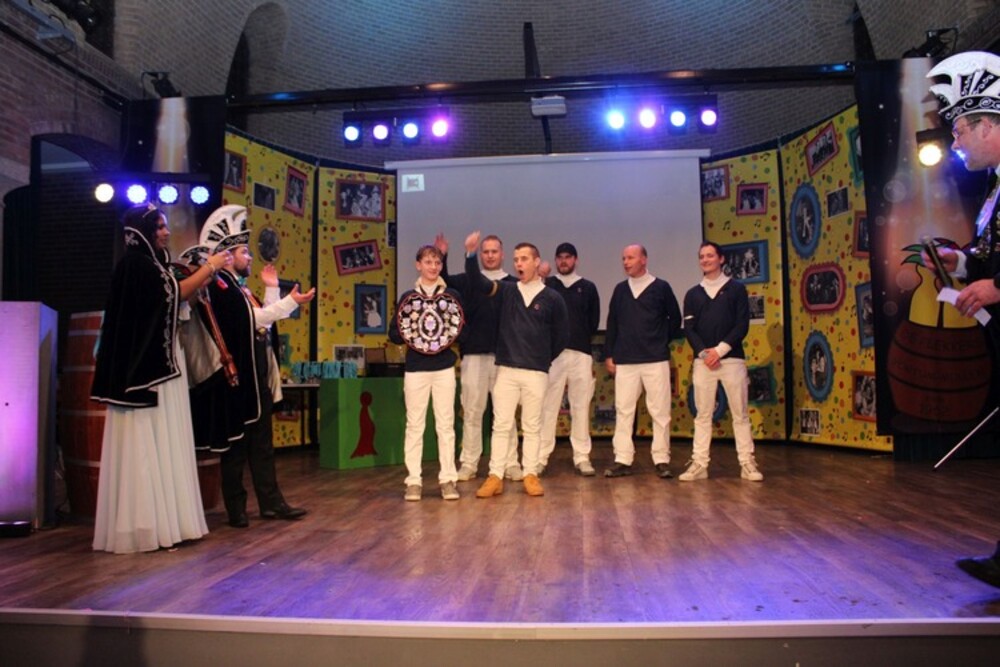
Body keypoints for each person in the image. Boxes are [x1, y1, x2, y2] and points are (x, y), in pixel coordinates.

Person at [90, 205, 231, 554]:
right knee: (144, 444)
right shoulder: (136, 266)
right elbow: (172, 294)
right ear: (143, 230)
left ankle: (167, 522)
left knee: (165, 441)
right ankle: (145, 526)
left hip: (163, 363)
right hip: (148, 372)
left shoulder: (150, 266)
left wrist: (201, 281)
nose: (166, 232)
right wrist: (210, 267)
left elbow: (172, 301)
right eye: (160, 227)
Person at [922, 51, 1000, 589]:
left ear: (989, 125)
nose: (956, 143)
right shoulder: (995, 187)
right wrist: (964, 263)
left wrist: (998, 286)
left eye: (961, 131)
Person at [189, 205, 315, 528]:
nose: (250, 257)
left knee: (261, 443)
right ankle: (237, 509)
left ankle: (272, 503)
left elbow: (262, 325)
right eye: (244, 252)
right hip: (237, 378)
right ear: (228, 256)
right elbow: (255, 319)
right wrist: (290, 302)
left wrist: (272, 289)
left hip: (255, 374)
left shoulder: (240, 288)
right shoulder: (220, 286)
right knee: (235, 445)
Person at [461, 232, 568, 498]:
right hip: (507, 370)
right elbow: (478, 282)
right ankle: (495, 476)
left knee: (532, 426)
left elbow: (561, 336)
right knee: (501, 425)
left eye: (524, 259)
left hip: (536, 372)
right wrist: (471, 255)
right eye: (516, 259)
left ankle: (530, 474)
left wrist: (542, 358)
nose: (519, 263)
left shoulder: (552, 298)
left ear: (536, 262)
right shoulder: (507, 291)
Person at [436, 233, 522, 482]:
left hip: (505, 358)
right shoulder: (468, 280)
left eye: (494, 251)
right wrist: (442, 254)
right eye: (485, 252)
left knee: (505, 415)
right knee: (472, 412)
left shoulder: (513, 284)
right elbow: (444, 281)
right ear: (479, 254)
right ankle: (469, 463)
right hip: (473, 356)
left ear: (502, 254)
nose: (490, 256)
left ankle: (510, 463)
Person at [679, 241, 764, 482]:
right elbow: (690, 329)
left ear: (721, 259)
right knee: (703, 415)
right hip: (703, 363)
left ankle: (747, 463)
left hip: (732, 360)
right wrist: (705, 354)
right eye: (701, 256)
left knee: (740, 414)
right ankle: (699, 464)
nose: (705, 260)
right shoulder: (693, 294)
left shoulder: (736, 289)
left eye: (709, 255)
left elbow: (741, 325)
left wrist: (719, 351)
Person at [388, 245, 466, 501]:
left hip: (444, 368)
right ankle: (413, 481)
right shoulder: (408, 297)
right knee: (415, 425)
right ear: (418, 265)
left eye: (437, 262)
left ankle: (448, 480)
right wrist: (410, 330)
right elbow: (394, 334)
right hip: (416, 369)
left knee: (446, 425)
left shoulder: (452, 296)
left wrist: (449, 331)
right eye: (428, 262)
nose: (433, 267)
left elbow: (461, 330)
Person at [603, 244, 682, 478]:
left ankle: (661, 459)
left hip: (655, 359)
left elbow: (675, 318)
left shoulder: (661, 287)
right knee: (624, 411)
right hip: (626, 360)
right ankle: (622, 459)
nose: (626, 262)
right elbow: (612, 323)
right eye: (623, 258)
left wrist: (659, 340)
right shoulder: (620, 290)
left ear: (644, 260)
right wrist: (610, 354)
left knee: (660, 411)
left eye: (630, 257)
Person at [538, 242, 600, 476]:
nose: (563, 261)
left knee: (580, 406)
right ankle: (540, 457)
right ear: (555, 260)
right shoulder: (547, 285)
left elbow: (593, 322)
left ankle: (582, 457)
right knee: (548, 407)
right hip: (553, 356)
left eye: (568, 257)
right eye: (560, 257)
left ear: (576, 260)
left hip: (581, 355)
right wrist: (540, 277)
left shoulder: (588, 287)